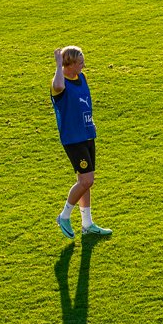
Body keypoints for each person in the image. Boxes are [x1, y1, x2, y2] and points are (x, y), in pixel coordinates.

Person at [51, 46, 111, 238]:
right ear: (69, 65)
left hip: (87, 134)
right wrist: (58, 64)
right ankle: (64, 215)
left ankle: (87, 224)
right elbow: (59, 87)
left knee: (85, 182)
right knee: (86, 180)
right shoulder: (59, 83)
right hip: (73, 138)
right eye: (80, 62)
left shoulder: (81, 78)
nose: (83, 65)